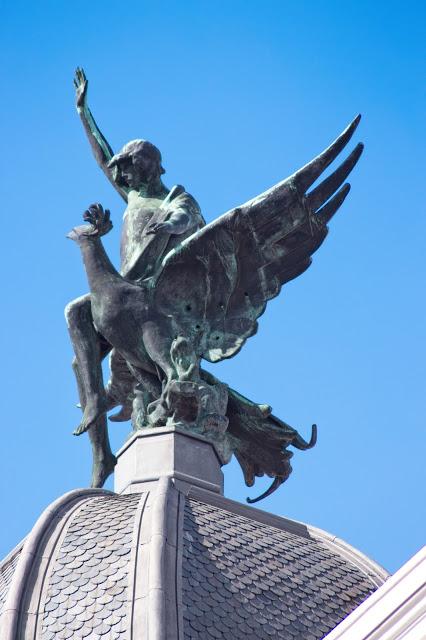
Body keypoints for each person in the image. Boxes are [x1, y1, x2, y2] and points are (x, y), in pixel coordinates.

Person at [65, 68, 205, 487]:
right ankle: (97, 430)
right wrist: (83, 113)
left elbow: (187, 217)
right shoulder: (134, 196)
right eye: (123, 169)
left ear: (151, 165)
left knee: (138, 368)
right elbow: (101, 154)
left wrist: (172, 226)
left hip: (153, 299)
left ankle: (114, 402)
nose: (125, 173)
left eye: (132, 165)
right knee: (76, 313)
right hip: (120, 292)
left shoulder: (173, 197)